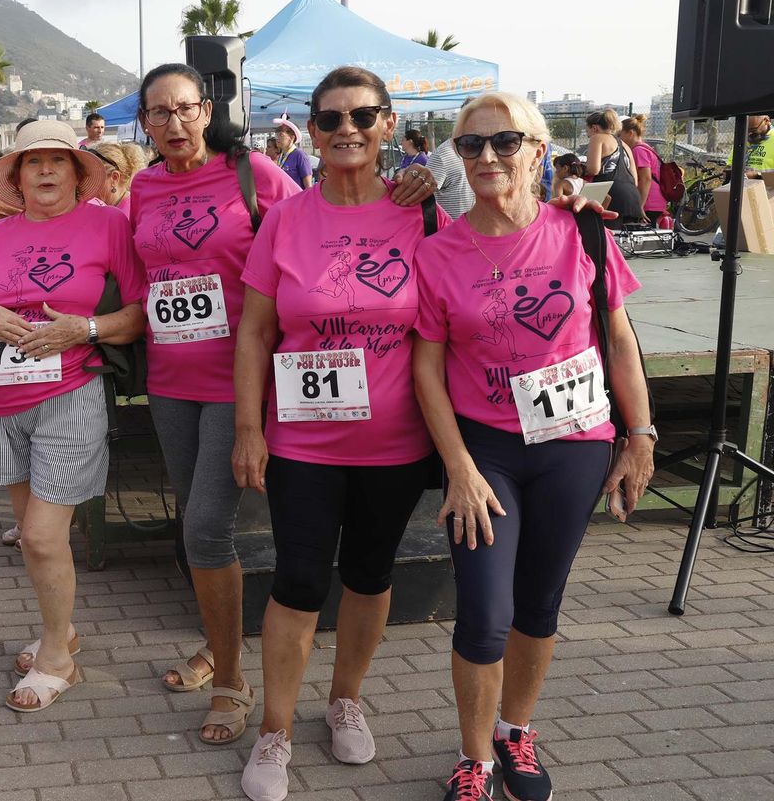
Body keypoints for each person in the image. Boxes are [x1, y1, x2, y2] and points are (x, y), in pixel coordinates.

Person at [411, 94, 654, 801]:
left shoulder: (582, 233)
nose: (488, 157)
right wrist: (456, 465)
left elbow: (618, 339)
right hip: (486, 445)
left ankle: (515, 727)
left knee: (539, 602)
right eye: (472, 146)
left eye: (505, 141)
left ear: (539, 150)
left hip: (574, 441)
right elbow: (427, 365)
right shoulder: (439, 250)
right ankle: (473, 757)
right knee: (485, 609)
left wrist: (640, 436)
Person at [232, 67, 447, 799]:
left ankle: (345, 696)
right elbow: (256, 331)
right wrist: (248, 427)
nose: (345, 128)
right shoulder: (288, 219)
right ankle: (275, 729)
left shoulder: (421, 214)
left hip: (394, 442)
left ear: (389, 124)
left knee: (369, 574)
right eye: (329, 119)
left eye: (362, 115)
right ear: (312, 132)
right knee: (296, 580)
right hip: (302, 442)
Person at [0, 120, 147, 713]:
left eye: (60, 161)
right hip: (2, 405)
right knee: (35, 542)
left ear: (80, 173)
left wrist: (82, 328)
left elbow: (138, 314)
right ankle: (59, 630)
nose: (47, 171)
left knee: (40, 534)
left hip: (70, 394)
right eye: (34, 163)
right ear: (17, 176)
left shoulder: (108, 224)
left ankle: (59, 657)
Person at [127, 63, 304, 747]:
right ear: (144, 123)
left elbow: (315, 228)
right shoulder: (141, 187)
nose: (174, 124)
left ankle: (231, 678)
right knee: (195, 528)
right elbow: (139, 276)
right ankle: (216, 645)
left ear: (208, 109)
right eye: (159, 113)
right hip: (171, 379)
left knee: (205, 527)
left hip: (241, 378)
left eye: (185, 109)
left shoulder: (253, 174)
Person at [584, 109, 642, 224]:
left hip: (610, 196)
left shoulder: (597, 138)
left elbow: (593, 170)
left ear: (594, 128)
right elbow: (635, 180)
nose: (589, 136)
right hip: (633, 199)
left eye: (588, 133)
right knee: (626, 240)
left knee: (606, 239)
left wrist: (579, 170)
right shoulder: (625, 145)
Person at [620, 116, 667, 223]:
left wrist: (640, 206)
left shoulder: (638, 151)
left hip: (648, 203)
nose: (619, 139)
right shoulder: (646, 148)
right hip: (655, 201)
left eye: (620, 134)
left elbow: (646, 179)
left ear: (630, 133)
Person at [85, 142, 147, 215]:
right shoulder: (106, 207)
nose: (85, 185)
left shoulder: (130, 214)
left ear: (114, 178)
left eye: (93, 179)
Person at [273, 116, 313, 189]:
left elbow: (308, 186)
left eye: (281, 135)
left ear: (292, 138)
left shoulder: (300, 155)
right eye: (276, 135)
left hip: (298, 198)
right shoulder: (282, 155)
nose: (277, 138)